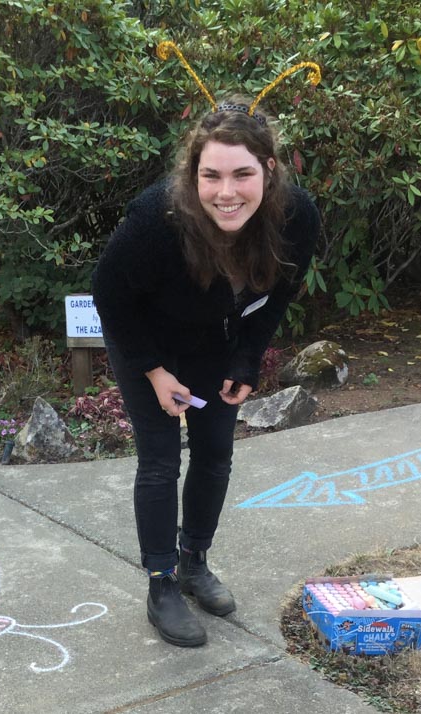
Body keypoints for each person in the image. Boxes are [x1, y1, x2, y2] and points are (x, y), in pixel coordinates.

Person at [91, 95, 321, 647]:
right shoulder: (156, 219)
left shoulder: (297, 217)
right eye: (211, 175)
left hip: (214, 343)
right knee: (160, 462)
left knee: (216, 453)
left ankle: (194, 562)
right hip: (147, 342)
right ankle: (162, 583)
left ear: (268, 169)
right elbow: (109, 296)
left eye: (242, 174)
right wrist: (153, 372)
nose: (226, 192)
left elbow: (280, 294)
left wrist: (247, 359)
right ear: (192, 174)